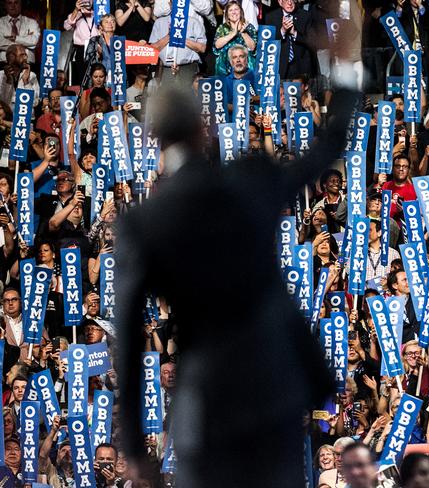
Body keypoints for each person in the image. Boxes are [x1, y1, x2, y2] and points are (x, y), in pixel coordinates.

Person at [116, 63, 359, 485]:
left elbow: (129, 339)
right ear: (204, 130)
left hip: (208, 402)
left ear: (154, 137)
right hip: (274, 387)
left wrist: (136, 448)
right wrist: (345, 75)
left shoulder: (144, 221)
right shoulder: (251, 183)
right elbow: (324, 151)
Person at [266, 0, 315, 78]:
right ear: (280, 2)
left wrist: (294, 33)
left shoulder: (305, 16)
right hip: (280, 66)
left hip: (301, 66)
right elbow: (268, 43)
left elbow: (312, 41)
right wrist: (282, 31)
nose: (290, 3)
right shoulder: (270, 17)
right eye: (286, 0)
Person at [213, 1, 256, 77]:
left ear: (241, 12)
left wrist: (243, 32)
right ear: (227, 14)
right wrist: (233, 33)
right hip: (225, 69)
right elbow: (217, 45)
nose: (234, 12)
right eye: (230, 10)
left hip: (246, 69)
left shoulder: (249, 27)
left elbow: (252, 47)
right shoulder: (222, 28)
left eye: (236, 9)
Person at [0, 43, 39, 109]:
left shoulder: (32, 75)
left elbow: (35, 102)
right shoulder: (1, 75)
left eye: (25, 55)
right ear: (12, 57)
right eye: (22, 55)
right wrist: (8, 81)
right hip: (7, 117)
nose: (26, 58)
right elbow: (3, 103)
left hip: (26, 116)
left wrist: (26, 82)